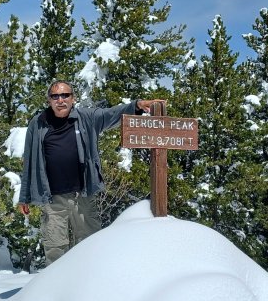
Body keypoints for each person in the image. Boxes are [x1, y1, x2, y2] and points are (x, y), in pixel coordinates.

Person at [18, 80, 164, 266]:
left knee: (90, 244)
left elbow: (110, 114)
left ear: (73, 98)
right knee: (55, 248)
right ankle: (56, 292)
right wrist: (24, 196)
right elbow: (30, 161)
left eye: (65, 95)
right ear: (49, 100)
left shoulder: (86, 118)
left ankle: (87, 289)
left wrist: (136, 105)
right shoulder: (38, 124)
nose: (60, 100)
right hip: (52, 199)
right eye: (55, 96)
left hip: (83, 195)